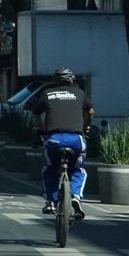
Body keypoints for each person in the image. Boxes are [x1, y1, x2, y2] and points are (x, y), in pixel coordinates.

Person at [25, 67, 92, 221]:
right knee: (77, 170)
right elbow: (90, 110)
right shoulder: (80, 93)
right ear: (72, 80)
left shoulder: (47, 94)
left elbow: (35, 112)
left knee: (49, 169)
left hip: (53, 139)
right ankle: (75, 196)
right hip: (76, 139)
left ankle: (50, 201)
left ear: (54, 81)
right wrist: (85, 127)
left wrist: (41, 130)